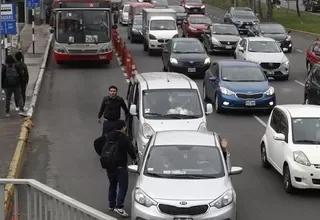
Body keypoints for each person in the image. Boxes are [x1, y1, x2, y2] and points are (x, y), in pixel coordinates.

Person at [93, 120, 137, 217]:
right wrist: (135, 159)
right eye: (124, 127)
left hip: (109, 165)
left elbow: (96, 142)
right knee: (123, 186)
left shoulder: (108, 136)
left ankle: (111, 205)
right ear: (123, 128)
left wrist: (102, 154)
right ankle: (119, 206)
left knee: (112, 184)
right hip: (120, 165)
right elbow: (131, 151)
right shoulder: (124, 138)